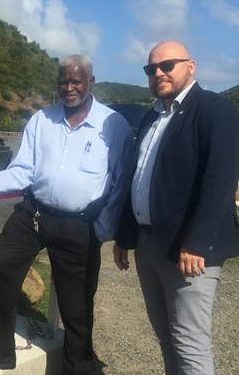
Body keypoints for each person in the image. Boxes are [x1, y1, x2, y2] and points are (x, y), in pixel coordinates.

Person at [0, 55, 133, 375]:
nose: (69, 88)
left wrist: (103, 229)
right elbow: (22, 170)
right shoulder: (42, 120)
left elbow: (121, 182)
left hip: (80, 225)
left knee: (76, 304)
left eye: (76, 81)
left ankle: (78, 367)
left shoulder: (114, 125)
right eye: (63, 81)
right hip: (34, 213)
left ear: (91, 83)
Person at [113, 40, 239, 375]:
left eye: (167, 65)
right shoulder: (152, 117)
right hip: (148, 243)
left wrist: (197, 242)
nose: (158, 73)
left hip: (188, 250)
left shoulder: (215, 110)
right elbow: (137, 177)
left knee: (189, 342)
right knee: (166, 337)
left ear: (191, 66)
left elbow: (220, 181)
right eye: (151, 69)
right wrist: (125, 237)